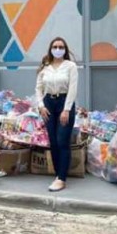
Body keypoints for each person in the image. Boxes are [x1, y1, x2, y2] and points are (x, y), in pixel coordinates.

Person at [36, 37, 79, 192]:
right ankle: (57, 173)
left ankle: (62, 178)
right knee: (53, 141)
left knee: (62, 140)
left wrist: (66, 109)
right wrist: (40, 106)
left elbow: (73, 89)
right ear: (51, 48)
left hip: (64, 101)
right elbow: (38, 88)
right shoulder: (45, 67)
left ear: (65, 49)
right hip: (48, 103)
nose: (58, 49)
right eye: (55, 46)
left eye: (61, 46)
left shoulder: (71, 66)